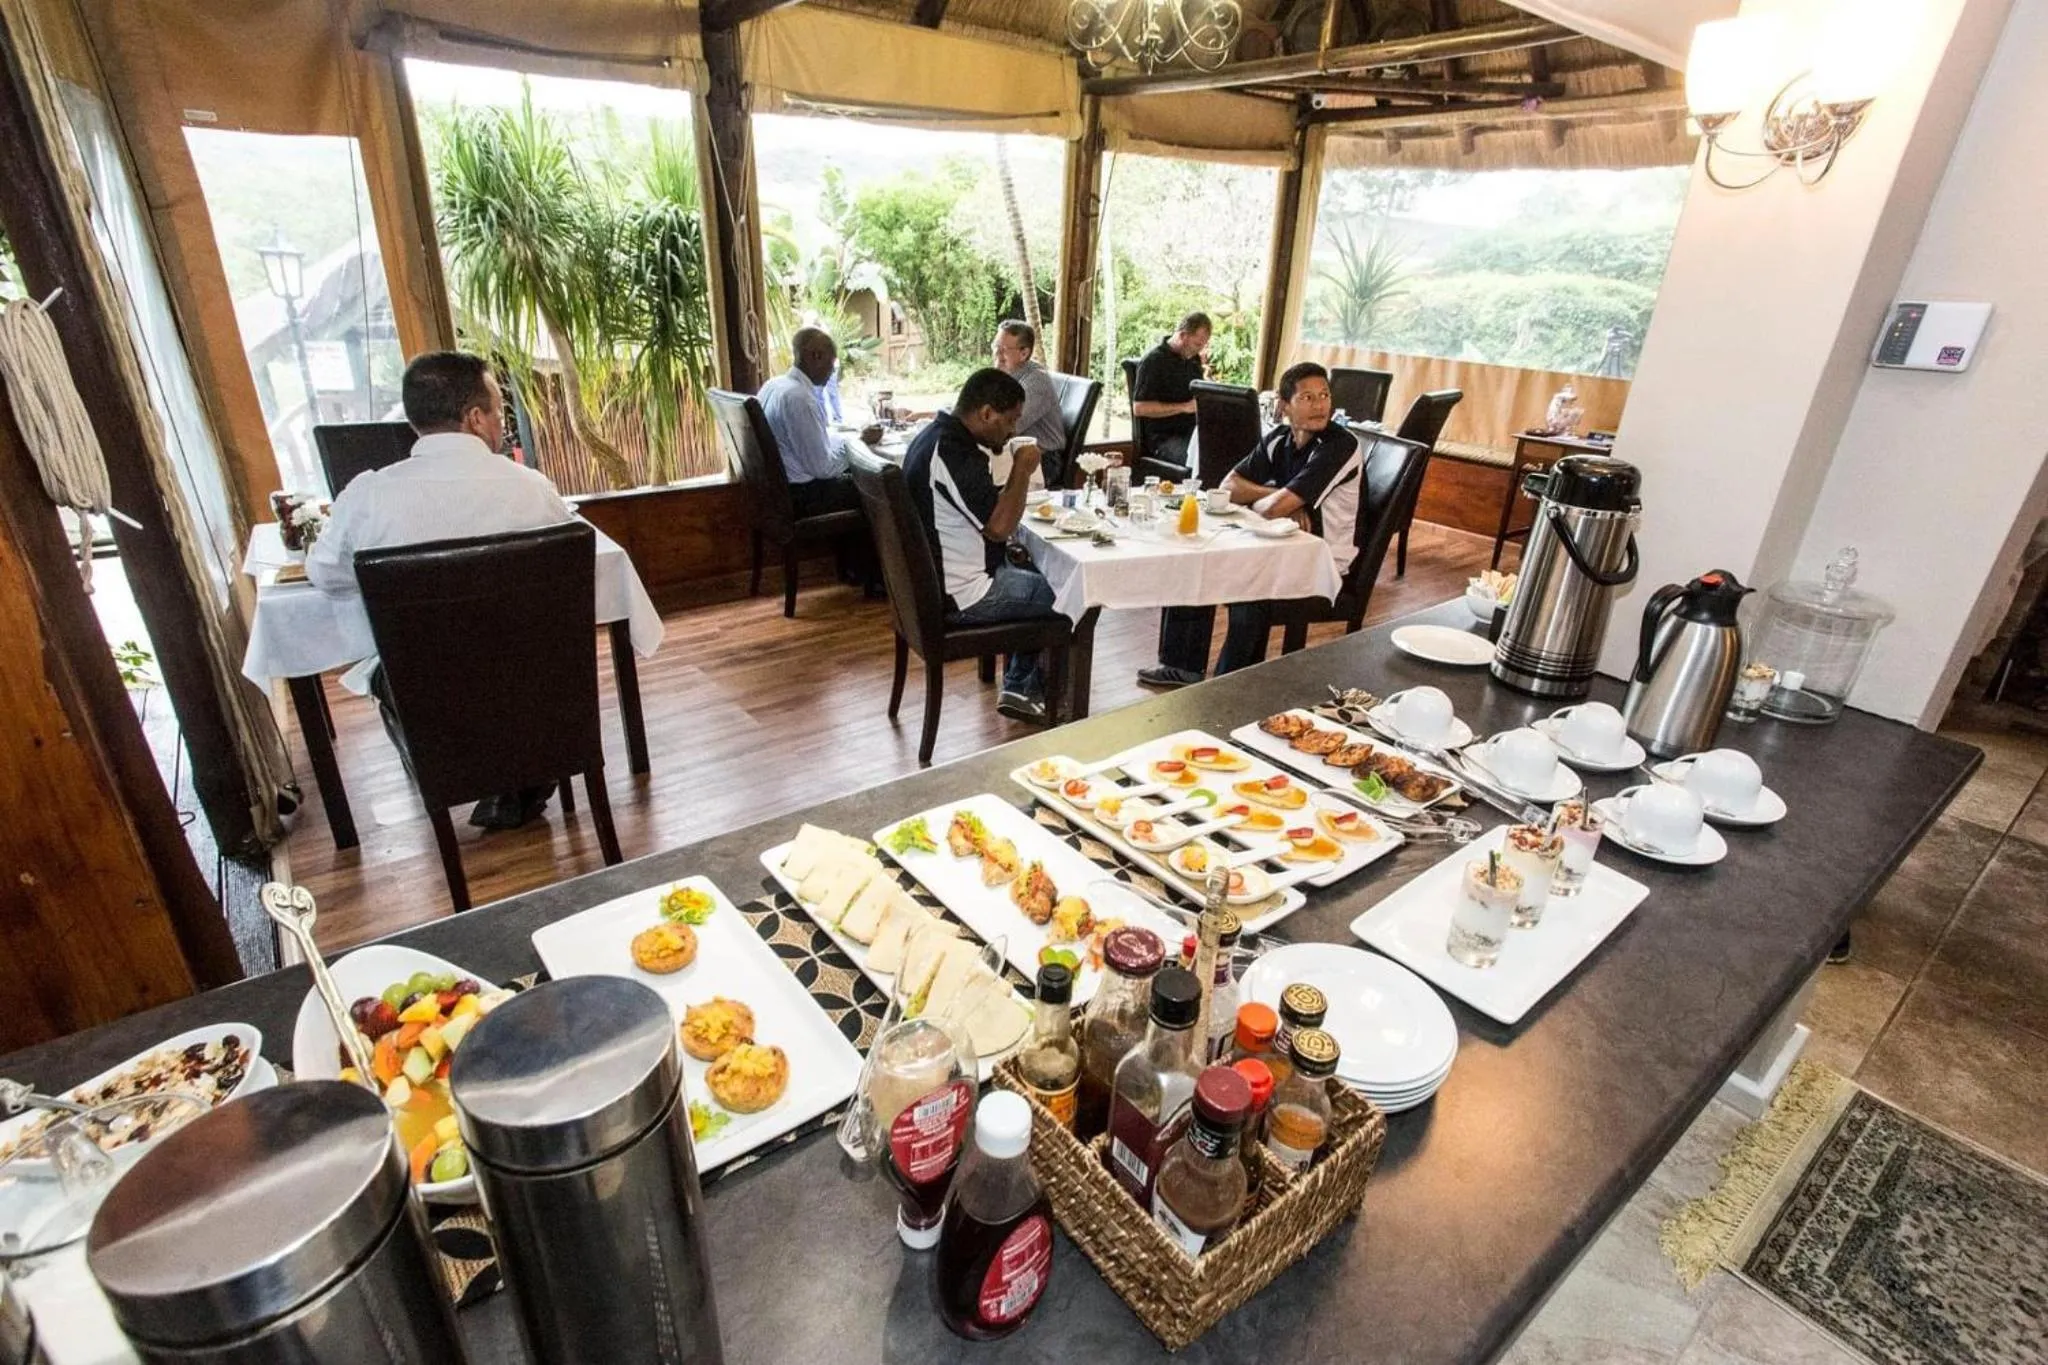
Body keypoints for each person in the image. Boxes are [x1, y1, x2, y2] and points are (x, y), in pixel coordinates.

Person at [307, 350, 575, 829]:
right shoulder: (532, 488)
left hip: (426, 685)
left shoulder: (368, 495)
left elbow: (325, 575)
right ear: (475, 418)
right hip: (533, 677)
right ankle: (520, 776)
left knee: (405, 671)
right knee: (509, 663)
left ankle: (460, 776)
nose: (501, 420)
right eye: (497, 408)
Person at [1138, 361, 1361, 685]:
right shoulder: (1280, 438)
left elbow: (1271, 509)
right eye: (1307, 398)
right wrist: (1278, 496)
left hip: (1322, 561)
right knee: (1197, 556)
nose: (1320, 405)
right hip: (1277, 547)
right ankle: (1182, 667)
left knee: (1248, 591)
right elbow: (1229, 486)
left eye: (1324, 395)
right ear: (1284, 406)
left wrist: (1274, 501)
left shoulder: (1339, 445)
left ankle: (1228, 687)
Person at [901, 368, 1059, 723]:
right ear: (986, 413)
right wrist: (1022, 467)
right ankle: (1026, 687)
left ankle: (1020, 680)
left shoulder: (936, 438)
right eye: (1011, 420)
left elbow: (985, 516)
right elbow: (999, 527)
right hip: (965, 593)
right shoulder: (953, 453)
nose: (1014, 430)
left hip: (942, 579)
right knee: (1069, 591)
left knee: (1037, 566)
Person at [756, 327, 881, 519]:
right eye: (832, 362)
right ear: (816, 356)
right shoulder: (800, 398)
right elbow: (823, 468)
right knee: (880, 489)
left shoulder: (773, 385)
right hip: (803, 496)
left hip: (775, 492)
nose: (832, 371)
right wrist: (860, 443)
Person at [1130, 311, 1211, 472]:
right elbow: (1139, 408)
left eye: (1203, 345)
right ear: (1182, 335)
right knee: (1204, 462)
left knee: (1223, 452)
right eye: (1197, 344)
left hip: (1192, 433)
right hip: (1164, 439)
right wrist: (1184, 407)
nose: (1200, 350)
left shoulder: (1193, 360)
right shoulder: (1153, 361)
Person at [992, 320, 1069, 486]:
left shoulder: (1036, 381)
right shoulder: (1005, 377)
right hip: (1013, 451)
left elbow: (1008, 428)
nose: (997, 354)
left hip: (1043, 459)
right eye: (995, 346)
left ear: (1024, 353)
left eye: (1003, 349)